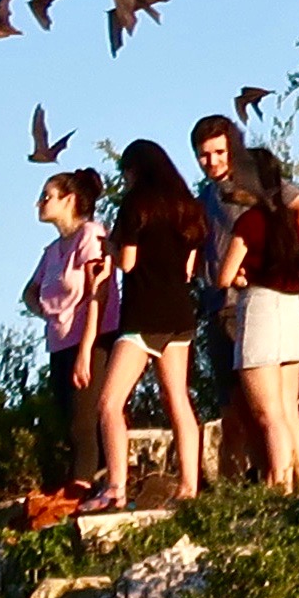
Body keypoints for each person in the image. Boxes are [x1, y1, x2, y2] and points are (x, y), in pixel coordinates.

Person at [191, 115, 299, 497]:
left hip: (254, 307)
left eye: (219, 152)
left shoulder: (256, 192)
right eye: (204, 155)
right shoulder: (206, 199)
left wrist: (279, 256)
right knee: (244, 411)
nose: (213, 161)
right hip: (230, 309)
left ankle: (279, 487)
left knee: (271, 413)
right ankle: (287, 487)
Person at [91, 140, 213, 508]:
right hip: (180, 314)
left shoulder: (134, 206)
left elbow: (127, 262)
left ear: (133, 171)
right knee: (178, 399)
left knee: (110, 403)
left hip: (143, 315)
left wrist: (108, 247)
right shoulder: (188, 209)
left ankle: (115, 486)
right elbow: (190, 268)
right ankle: (189, 486)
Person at [23, 171, 112, 492]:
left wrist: (87, 350)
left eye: (47, 196)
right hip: (59, 344)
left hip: (93, 341)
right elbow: (29, 292)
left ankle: (84, 487)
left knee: (83, 421)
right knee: (66, 420)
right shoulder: (52, 251)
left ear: (69, 200)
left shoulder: (90, 235)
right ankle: (83, 484)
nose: (40, 203)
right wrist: (50, 312)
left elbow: (97, 293)